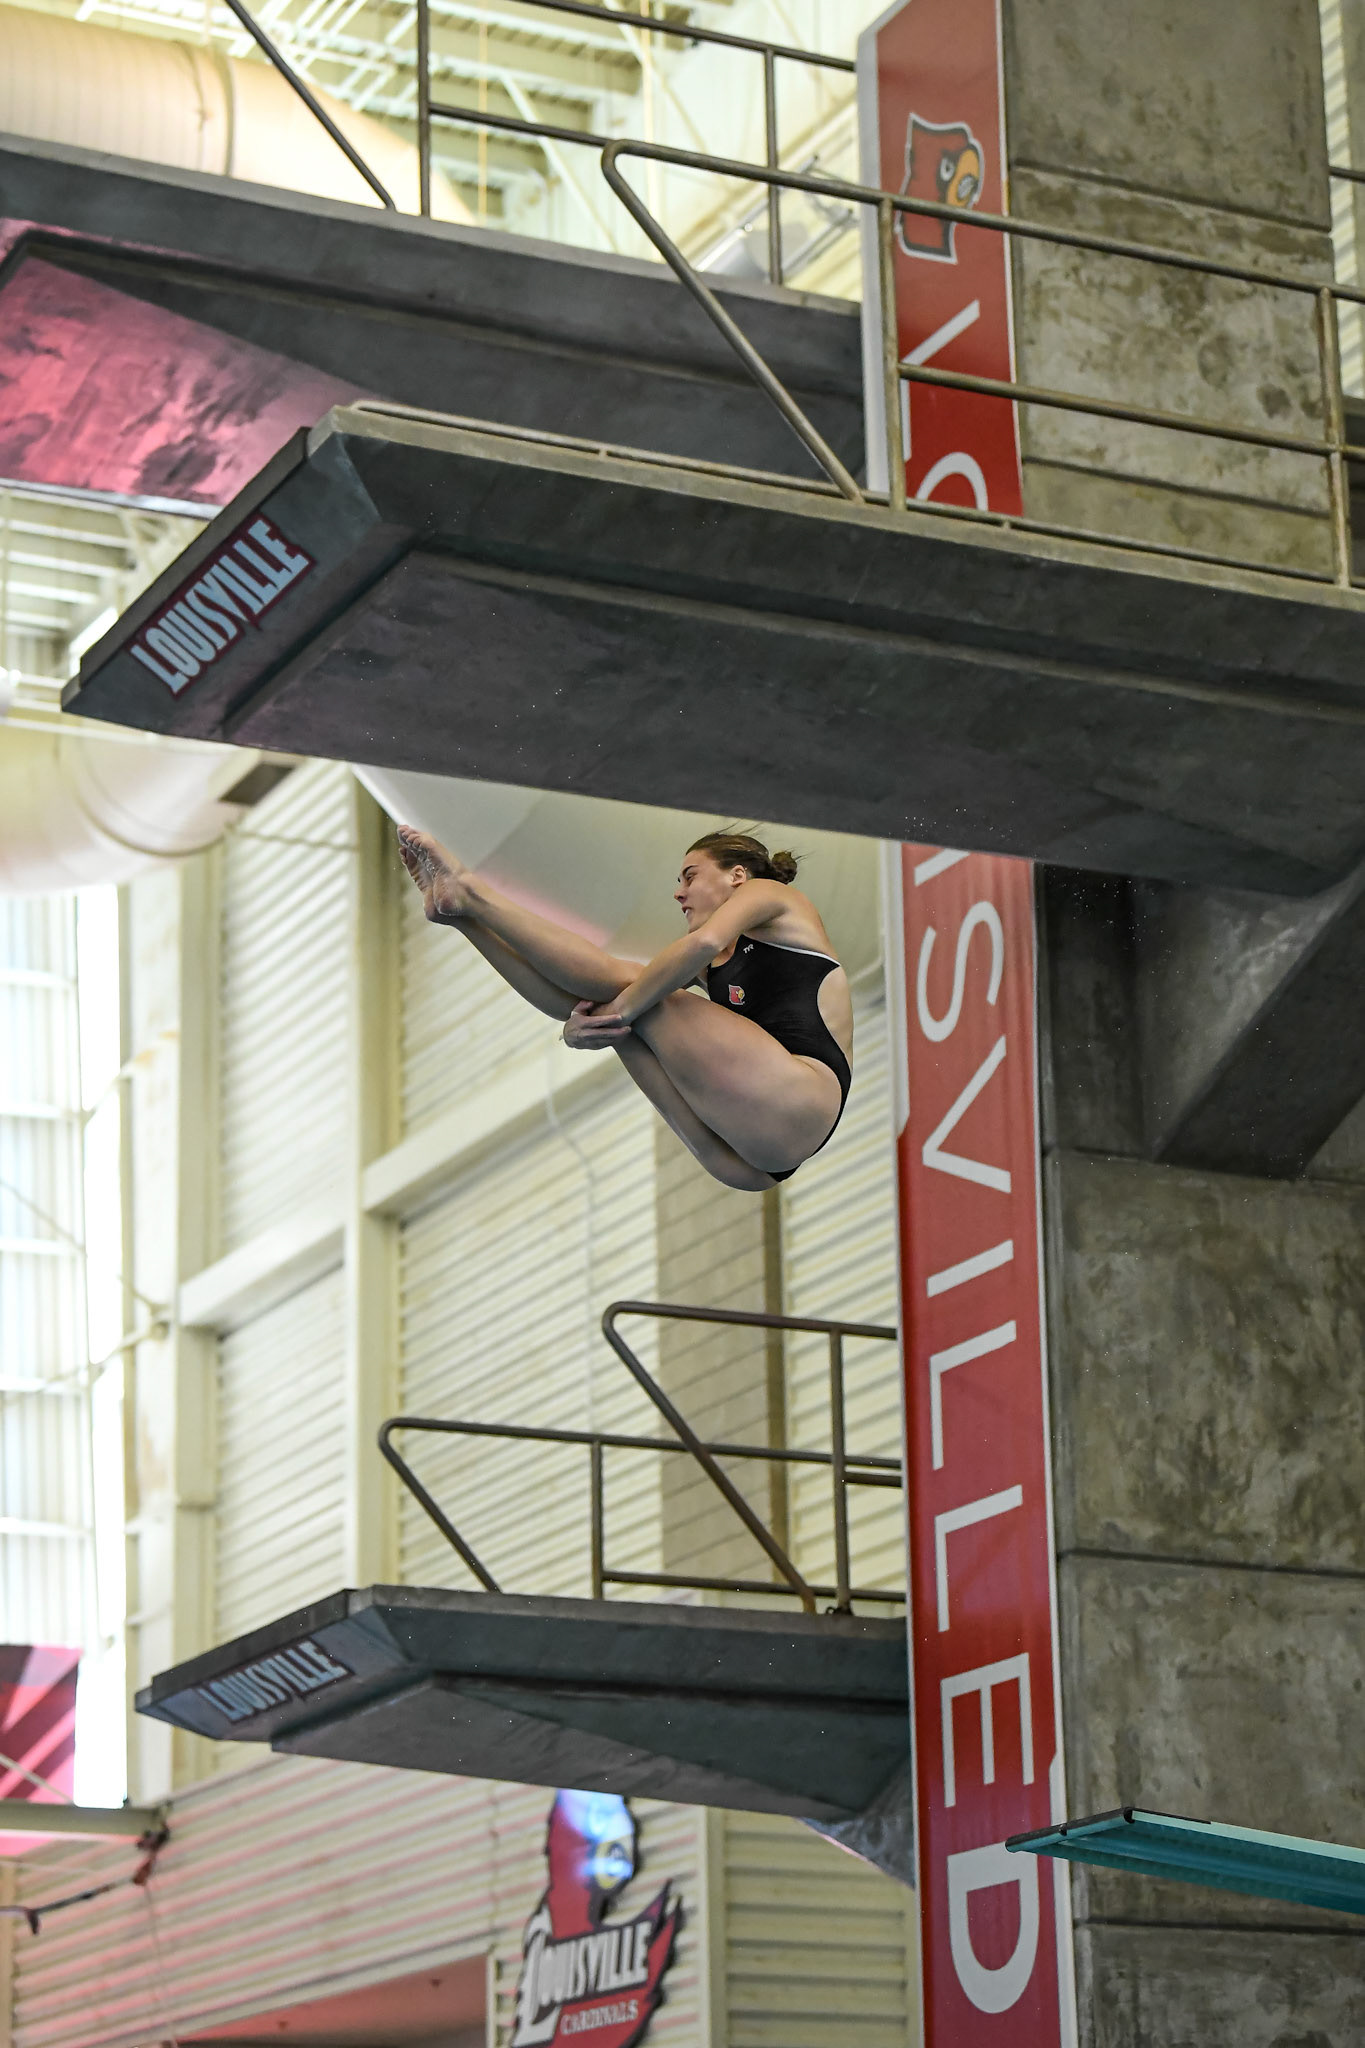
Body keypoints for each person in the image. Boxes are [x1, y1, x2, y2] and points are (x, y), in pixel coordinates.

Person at [397, 825, 853, 1191]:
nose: (679, 894)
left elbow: (704, 942)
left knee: (637, 988)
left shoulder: (773, 898)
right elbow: (621, 988)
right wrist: (580, 1028)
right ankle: (461, 917)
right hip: (741, 1158)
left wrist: (620, 1011)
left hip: (802, 1096)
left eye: (690, 876)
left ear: (736, 874)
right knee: (624, 1004)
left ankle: (475, 896)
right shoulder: (710, 966)